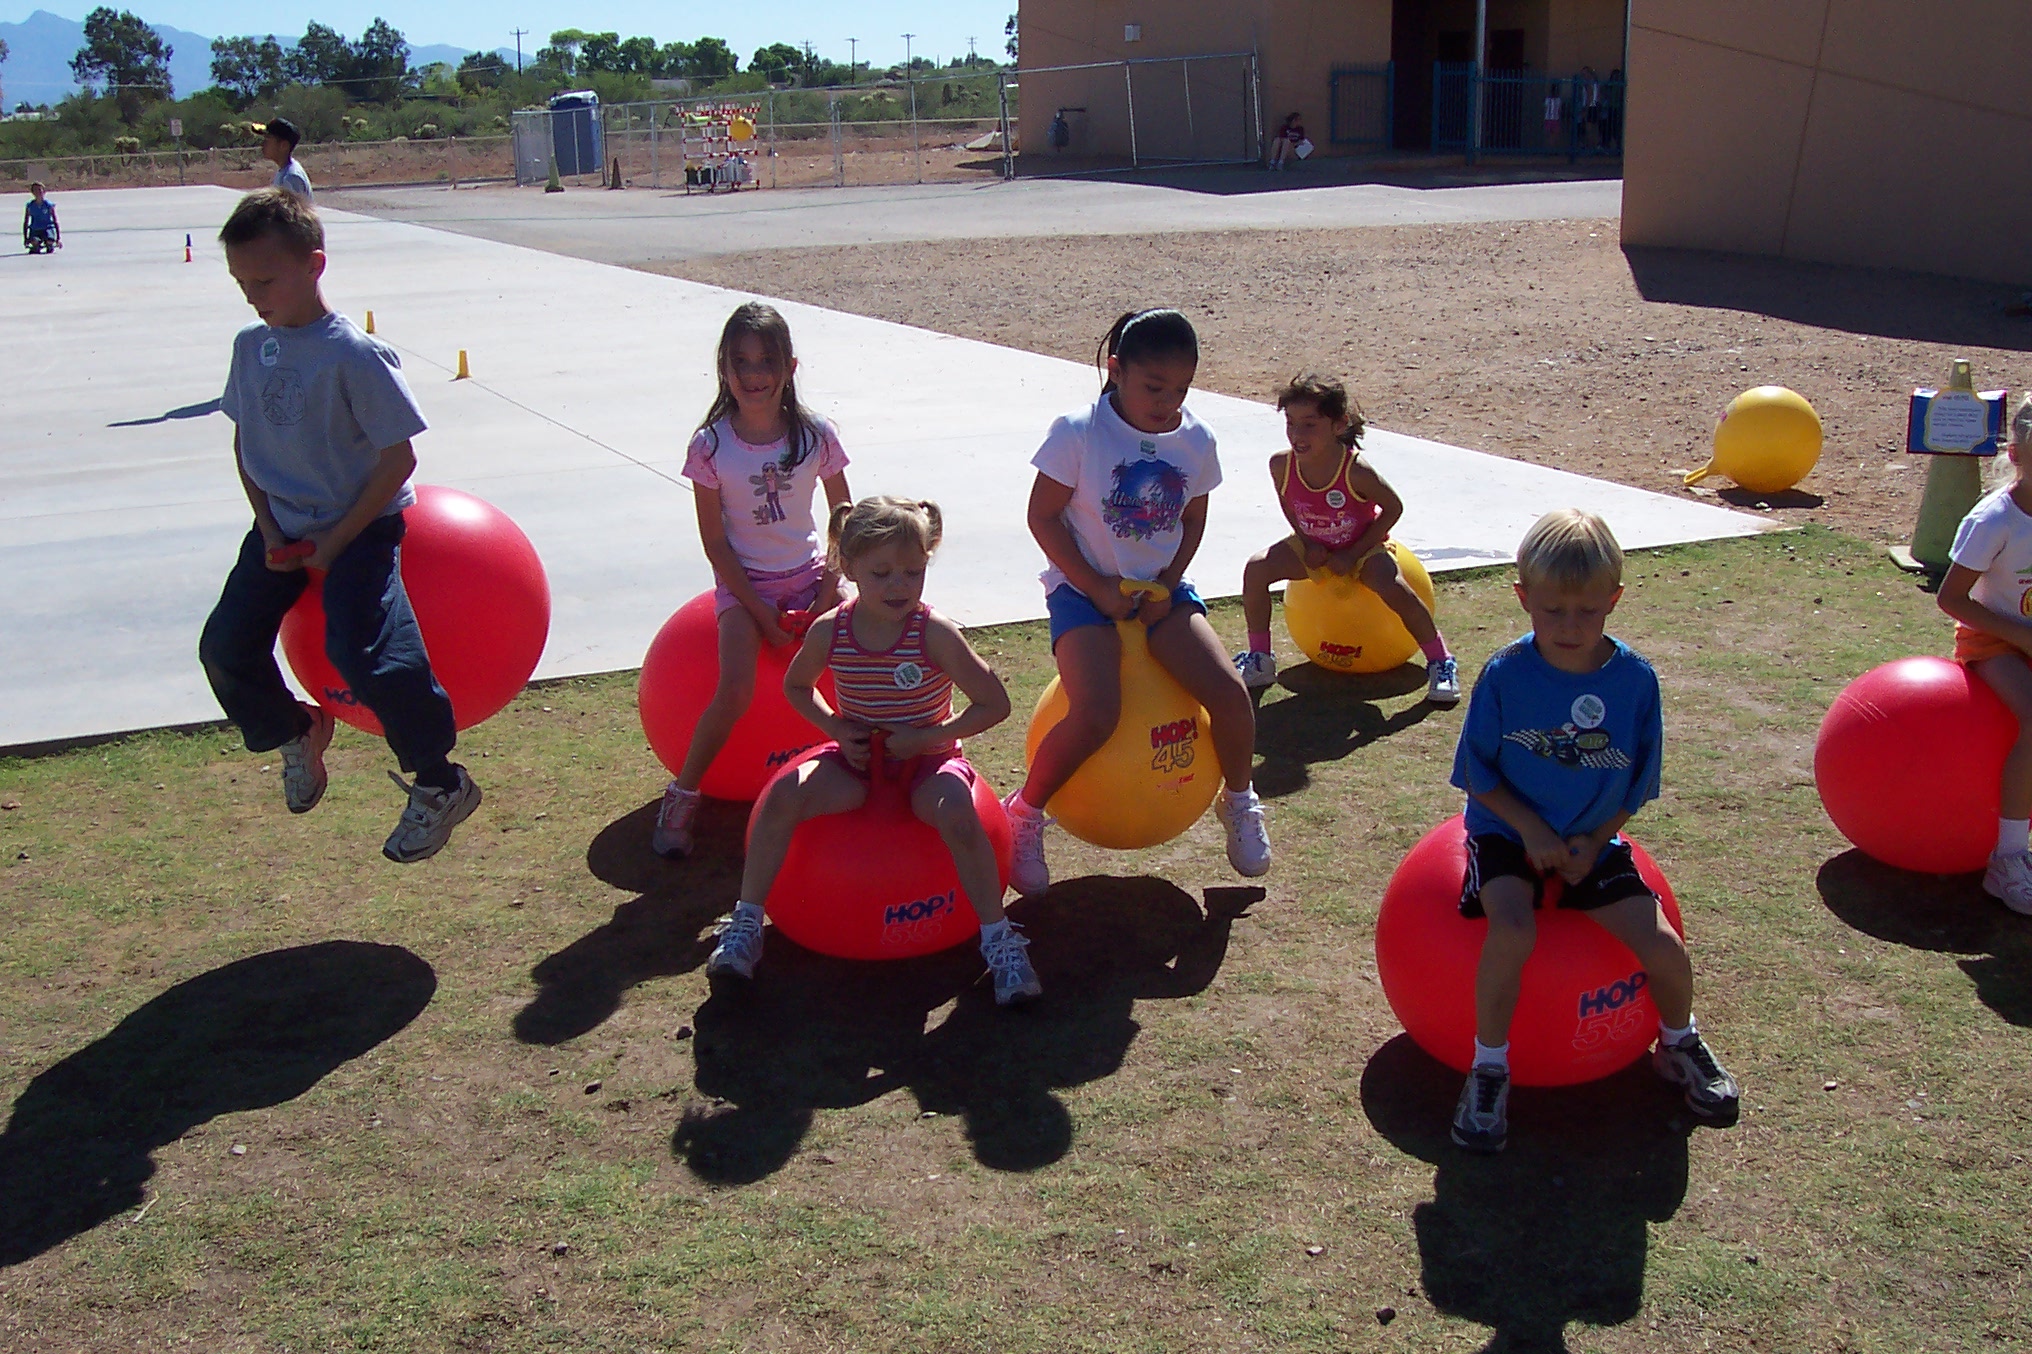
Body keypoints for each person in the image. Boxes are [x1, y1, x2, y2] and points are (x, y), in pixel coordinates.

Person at [198, 188, 481, 863]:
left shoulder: (355, 355)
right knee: (225, 647)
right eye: (241, 281)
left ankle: (441, 783)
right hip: (281, 530)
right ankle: (295, 728)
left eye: (263, 279)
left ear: (314, 265)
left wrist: (340, 539)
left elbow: (398, 458)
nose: (251, 295)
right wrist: (267, 527)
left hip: (362, 527)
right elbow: (247, 446)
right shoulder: (249, 348)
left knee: (366, 652)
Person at [1448, 508, 1738, 1152]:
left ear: (1615, 599)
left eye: (1587, 611)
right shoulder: (1505, 674)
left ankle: (1677, 1041)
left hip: (1591, 840)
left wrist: (1593, 839)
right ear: (1523, 597)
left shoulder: (1635, 681)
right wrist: (1531, 832)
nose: (1569, 627)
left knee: (1664, 947)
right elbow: (1477, 773)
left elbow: (1639, 780)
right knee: (1513, 929)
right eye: (1552, 611)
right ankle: (1489, 1066)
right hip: (1506, 832)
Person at [706, 497, 1043, 1005]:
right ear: (849, 566)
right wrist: (836, 729)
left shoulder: (934, 633)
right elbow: (798, 687)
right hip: (857, 763)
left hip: (929, 761)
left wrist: (927, 737)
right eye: (882, 572)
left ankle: (998, 940)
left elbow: (994, 703)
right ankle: (747, 924)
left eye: (912, 572)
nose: (898, 586)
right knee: (779, 799)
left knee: (959, 817)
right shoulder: (831, 630)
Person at [1004, 308, 1269, 893]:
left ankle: (1240, 802)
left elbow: (1193, 520)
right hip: (1081, 592)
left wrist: (1170, 583)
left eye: (1181, 388)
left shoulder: (1197, 439)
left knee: (1229, 695)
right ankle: (1023, 814)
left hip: (1162, 594)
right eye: (1154, 387)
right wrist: (1095, 586)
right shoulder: (1077, 432)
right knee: (1098, 712)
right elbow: (1042, 517)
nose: (1167, 401)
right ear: (1117, 369)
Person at [652, 302, 852, 856]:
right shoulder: (711, 446)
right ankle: (684, 792)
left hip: (812, 578)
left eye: (766, 361)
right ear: (724, 368)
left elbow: (844, 523)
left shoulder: (816, 435)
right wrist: (759, 610)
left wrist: (826, 593)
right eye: (741, 362)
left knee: (866, 661)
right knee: (736, 689)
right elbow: (715, 542)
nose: (754, 375)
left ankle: (893, 770)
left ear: (789, 366)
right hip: (747, 589)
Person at [1232, 374, 1459, 703]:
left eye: (1310, 424)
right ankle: (1260, 659)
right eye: (1291, 423)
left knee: (1393, 586)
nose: (1297, 434)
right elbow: (1289, 502)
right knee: (1256, 569)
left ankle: (1441, 661)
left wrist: (1354, 553)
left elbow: (1394, 508)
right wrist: (1306, 541)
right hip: (1315, 549)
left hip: (1363, 549)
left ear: (1338, 426)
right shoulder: (1280, 464)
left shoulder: (1356, 470)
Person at [1936, 396, 2032, 915]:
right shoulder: (1994, 519)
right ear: (2016, 455)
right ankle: (2009, 859)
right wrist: (2021, 636)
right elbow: (1951, 599)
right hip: (1993, 642)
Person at [261, 118, 313, 203]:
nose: (263, 144)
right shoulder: (284, 171)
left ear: (283, 146)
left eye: (268, 139)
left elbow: (295, 213)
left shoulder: (291, 177)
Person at [22, 182, 60, 254]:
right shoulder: (30, 206)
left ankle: (49, 244)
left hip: (47, 228)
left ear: (44, 191)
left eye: (40, 190)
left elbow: (55, 221)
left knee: (49, 242)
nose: (38, 192)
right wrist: (25, 239)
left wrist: (58, 238)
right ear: (33, 193)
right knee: (35, 242)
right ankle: (36, 246)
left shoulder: (48, 205)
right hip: (35, 229)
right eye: (35, 190)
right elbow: (26, 222)